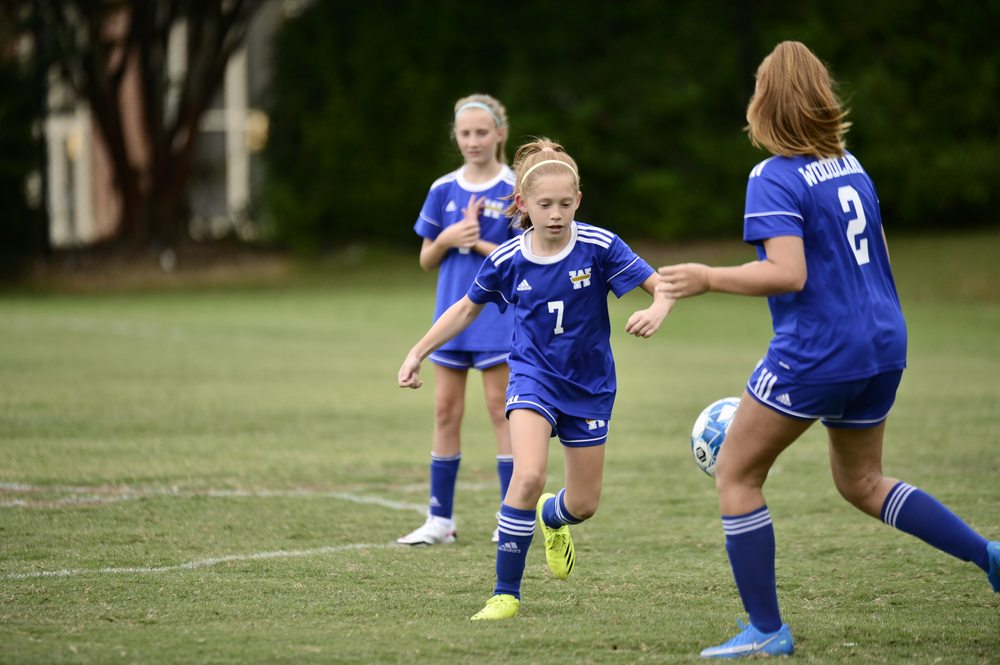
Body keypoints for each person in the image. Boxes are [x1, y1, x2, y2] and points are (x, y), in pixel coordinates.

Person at [657, 41, 1000, 659]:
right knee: (861, 481)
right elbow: (881, 257)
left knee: (737, 474)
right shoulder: (851, 165)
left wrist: (707, 277)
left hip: (818, 349)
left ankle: (766, 631)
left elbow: (787, 273)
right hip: (883, 339)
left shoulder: (773, 176)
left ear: (764, 103)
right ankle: (989, 555)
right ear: (822, 98)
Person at [399, 138, 674, 620]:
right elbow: (465, 308)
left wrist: (657, 307)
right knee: (527, 475)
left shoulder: (599, 245)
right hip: (532, 377)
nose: (555, 214)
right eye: (545, 204)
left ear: (578, 202)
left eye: (565, 204)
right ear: (523, 204)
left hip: (589, 385)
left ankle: (553, 517)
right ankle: (505, 593)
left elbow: (662, 286)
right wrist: (418, 351)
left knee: (584, 504)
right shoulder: (507, 258)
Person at [397, 94, 519, 546]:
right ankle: (439, 520)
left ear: (499, 134)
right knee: (445, 411)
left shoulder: (514, 188)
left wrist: (481, 244)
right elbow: (427, 259)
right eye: (465, 134)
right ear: (456, 136)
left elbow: (525, 259)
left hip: (496, 319)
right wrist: (450, 237)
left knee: (500, 411)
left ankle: (511, 514)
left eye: (482, 132)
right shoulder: (443, 189)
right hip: (451, 316)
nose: (473, 141)